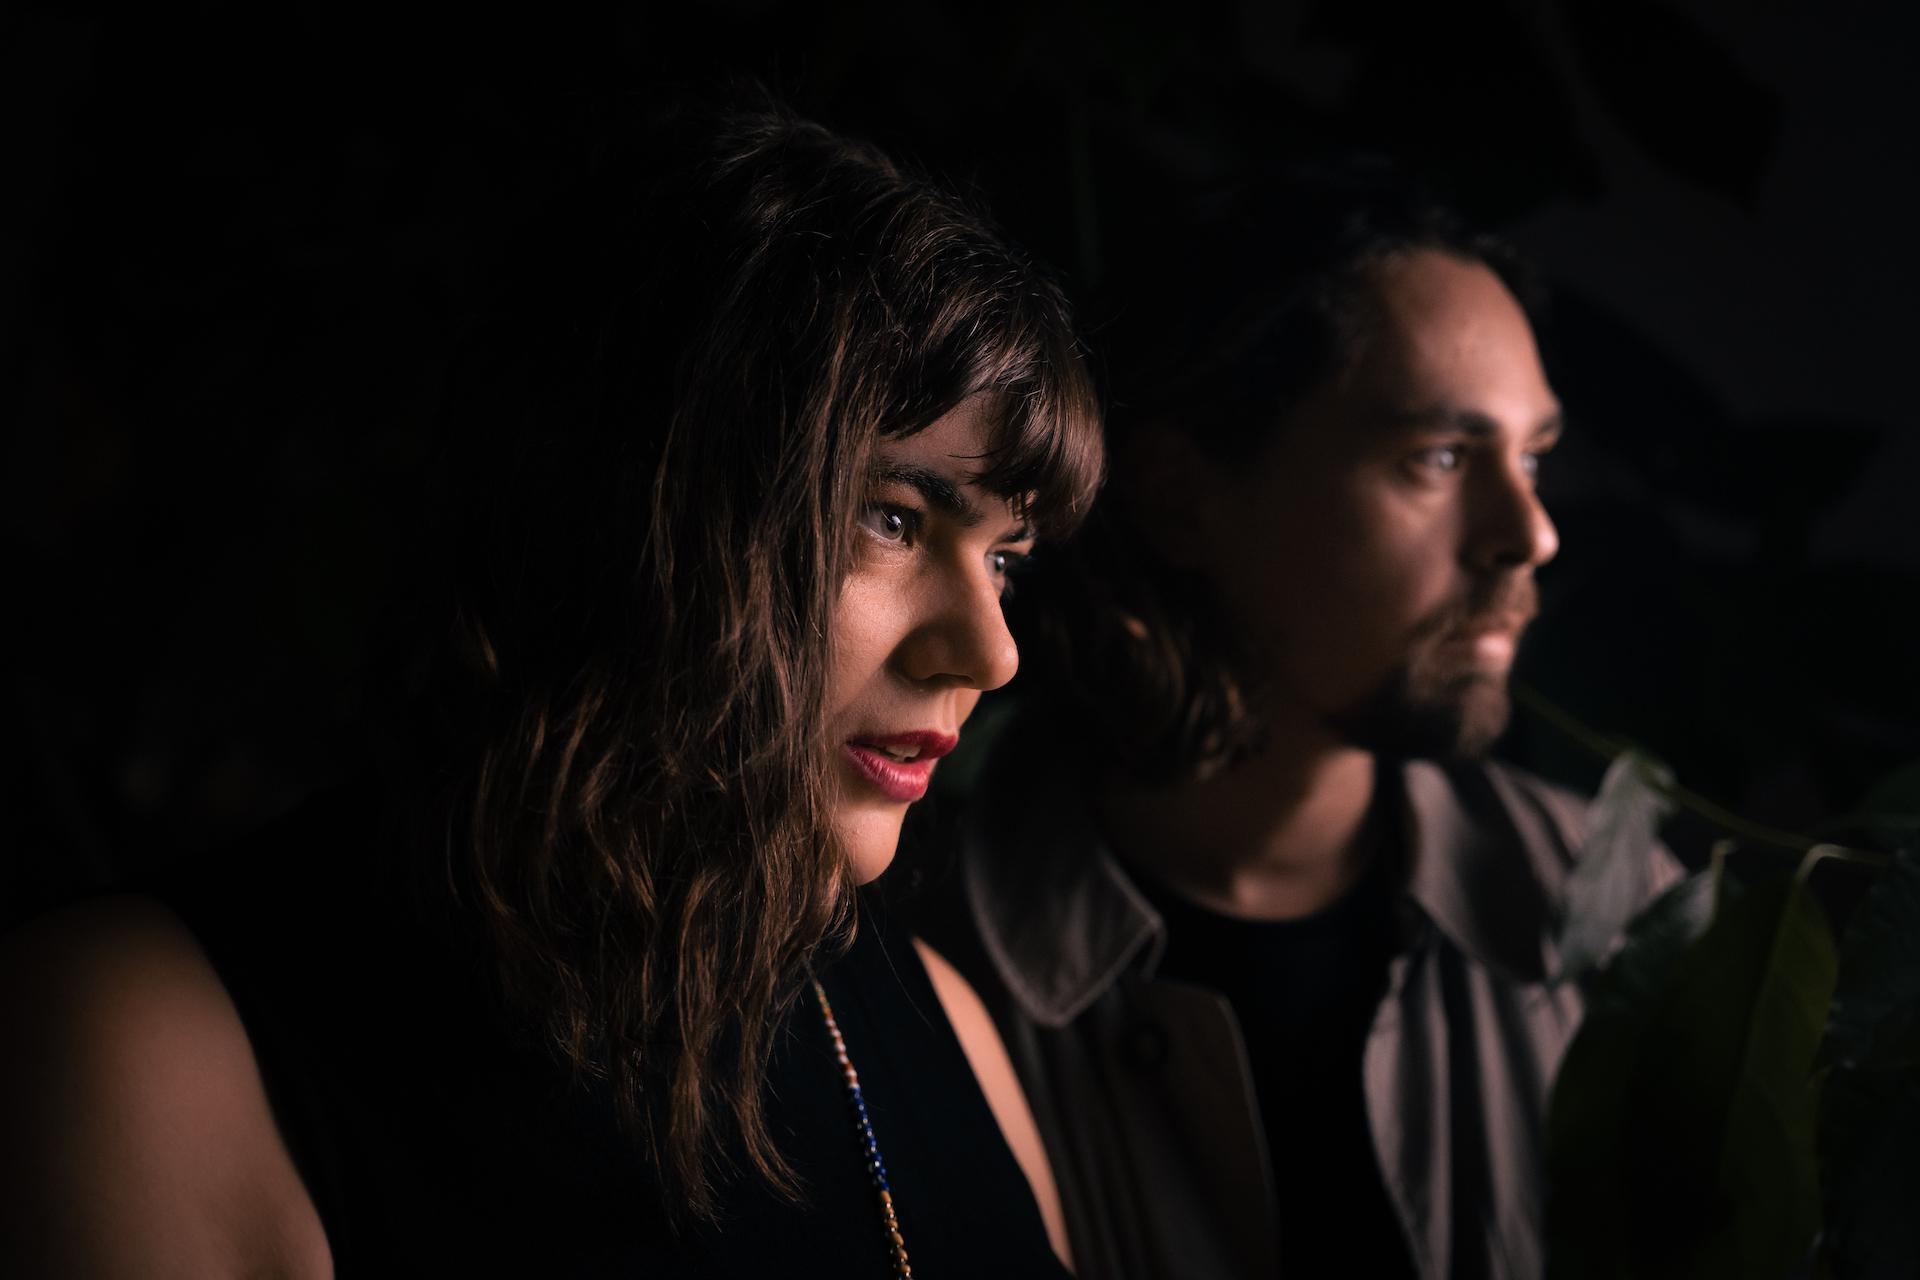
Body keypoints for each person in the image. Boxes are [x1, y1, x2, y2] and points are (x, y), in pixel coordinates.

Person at [0, 105, 1100, 1277]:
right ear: (642, 508)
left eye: (1005, 558)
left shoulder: (942, 1021)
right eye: (892, 518)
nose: (991, 652)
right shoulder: (144, 1041)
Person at [914, 170, 1679, 1279]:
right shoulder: (927, 961)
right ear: (1180, 495)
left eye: (1533, 458)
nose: (1530, 534)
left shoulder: (1621, 912)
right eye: (1440, 458)